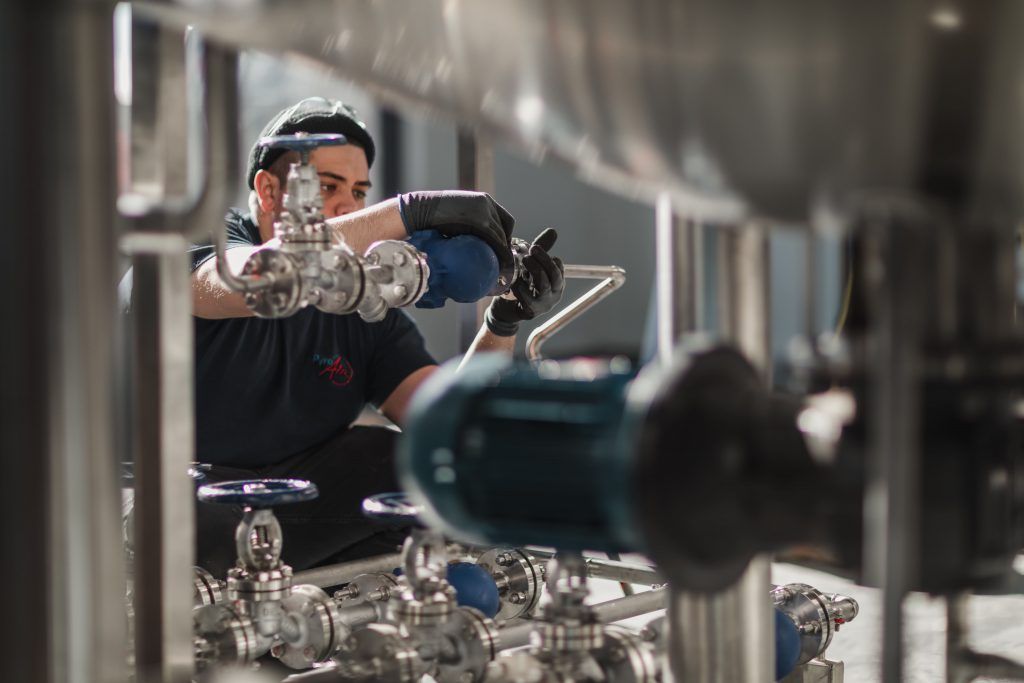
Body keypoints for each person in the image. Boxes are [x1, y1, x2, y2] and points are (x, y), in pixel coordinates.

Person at [164, 97, 564, 575]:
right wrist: (412, 211)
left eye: (358, 192)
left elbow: (446, 422)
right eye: (326, 187)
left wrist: (504, 320)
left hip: (305, 517)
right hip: (192, 513)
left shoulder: (359, 304)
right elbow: (254, 279)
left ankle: (371, 610)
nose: (347, 206)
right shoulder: (204, 254)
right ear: (268, 191)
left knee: (416, 464)